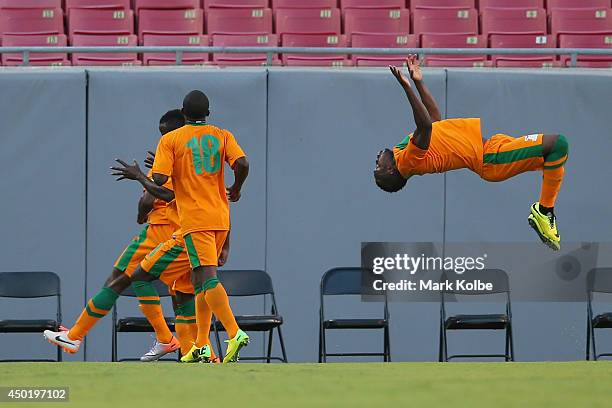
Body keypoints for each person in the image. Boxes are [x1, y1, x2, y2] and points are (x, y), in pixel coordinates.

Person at [374, 56, 568, 251]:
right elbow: (424, 126)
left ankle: (545, 213)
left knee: (553, 156)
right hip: (491, 160)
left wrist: (418, 82)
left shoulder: (402, 151)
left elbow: (434, 120)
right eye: (377, 167)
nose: (377, 161)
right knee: (558, 144)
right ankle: (544, 212)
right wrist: (407, 87)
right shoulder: (406, 163)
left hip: (493, 147)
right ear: (390, 171)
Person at [112, 90, 250, 363]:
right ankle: (200, 344)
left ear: (184, 114)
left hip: (195, 220)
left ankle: (234, 333)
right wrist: (236, 186)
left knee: (205, 278)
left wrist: (140, 175)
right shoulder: (222, 135)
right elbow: (243, 163)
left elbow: (160, 182)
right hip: (221, 218)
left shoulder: (171, 139)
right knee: (199, 281)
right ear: (208, 113)